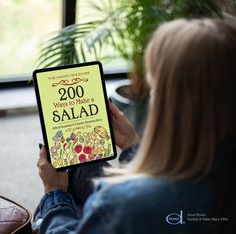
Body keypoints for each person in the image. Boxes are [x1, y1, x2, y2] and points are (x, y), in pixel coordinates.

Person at [33, 18, 236, 233]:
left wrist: (54, 195)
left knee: (67, 186)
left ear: (172, 103)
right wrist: (132, 145)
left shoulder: (120, 205)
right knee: (85, 168)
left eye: (154, 84)